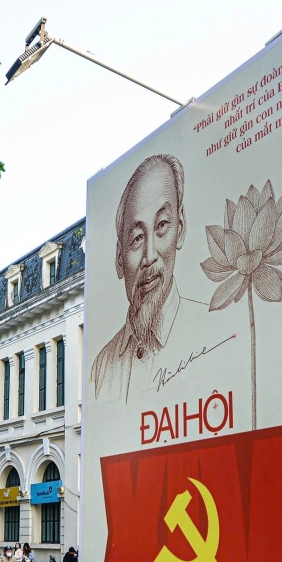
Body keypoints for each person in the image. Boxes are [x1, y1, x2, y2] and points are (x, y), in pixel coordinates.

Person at [90, 154, 207, 403]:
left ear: (181, 229)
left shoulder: (215, 331)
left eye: (162, 224)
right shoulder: (101, 367)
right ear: (119, 259)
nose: (150, 256)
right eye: (137, 238)